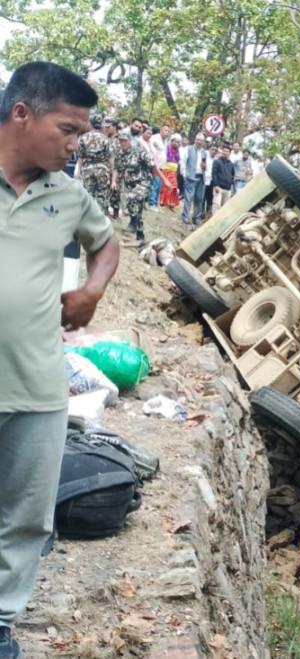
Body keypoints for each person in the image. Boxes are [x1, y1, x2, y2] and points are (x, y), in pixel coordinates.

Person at [0, 61, 120, 659]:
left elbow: (108, 242)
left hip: (37, 385)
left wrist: (92, 291)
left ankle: (0, 622)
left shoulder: (68, 195)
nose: (76, 145)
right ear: (22, 114)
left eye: (81, 133)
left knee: (25, 515)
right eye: (68, 130)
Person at [112, 129, 167, 243]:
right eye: (120, 140)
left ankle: (135, 226)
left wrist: (164, 180)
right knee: (135, 206)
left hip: (144, 182)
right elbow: (116, 168)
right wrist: (114, 181)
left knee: (132, 198)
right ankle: (139, 232)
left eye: (124, 141)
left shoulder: (139, 151)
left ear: (130, 140)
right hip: (130, 184)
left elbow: (153, 167)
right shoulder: (119, 153)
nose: (122, 143)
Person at [76, 114, 113, 214]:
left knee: (88, 194)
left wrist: (79, 169)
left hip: (88, 169)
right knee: (102, 194)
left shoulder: (83, 138)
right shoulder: (105, 138)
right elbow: (110, 156)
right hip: (102, 169)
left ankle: (88, 217)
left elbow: (80, 156)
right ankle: (101, 216)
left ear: (90, 124)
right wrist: (112, 171)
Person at [181, 133, 208, 225]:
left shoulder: (204, 152)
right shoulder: (188, 149)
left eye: (201, 140)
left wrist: (205, 166)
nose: (199, 142)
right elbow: (183, 162)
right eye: (198, 140)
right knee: (188, 198)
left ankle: (197, 217)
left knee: (199, 199)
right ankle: (185, 217)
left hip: (201, 177)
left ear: (203, 142)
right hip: (190, 177)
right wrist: (184, 174)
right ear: (195, 140)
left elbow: (206, 167)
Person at [148, 125, 169, 206]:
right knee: (155, 184)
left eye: (168, 131)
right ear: (161, 129)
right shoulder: (154, 138)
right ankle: (152, 202)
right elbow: (149, 148)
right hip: (155, 166)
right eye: (165, 130)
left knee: (158, 185)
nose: (167, 133)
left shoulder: (165, 141)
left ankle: (155, 202)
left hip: (162, 166)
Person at [211, 144, 235, 214]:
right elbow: (214, 174)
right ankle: (215, 219)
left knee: (225, 207)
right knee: (216, 204)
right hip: (218, 187)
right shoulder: (217, 161)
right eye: (224, 151)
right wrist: (215, 185)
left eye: (227, 151)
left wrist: (231, 184)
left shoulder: (231, 164)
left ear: (229, 153)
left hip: (227, 189)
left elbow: (232, 175)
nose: (225, 152)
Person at [159, 133, 180, 208]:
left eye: (178, 142)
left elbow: (178, 160)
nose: (176, 143)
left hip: (174, 171)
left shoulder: (178, 150)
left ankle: (171, 203)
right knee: (166, 186)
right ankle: (163, 201)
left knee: (173, 186)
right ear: (171, 141)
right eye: (175, 141)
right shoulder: (167, 148)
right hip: (166, 169)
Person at [203, 144, 218, 219]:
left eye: (215, 150)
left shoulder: (217, 160)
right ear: (209, 149)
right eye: (212, 149)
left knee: (210, 199)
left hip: (212, 181)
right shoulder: (204, 157)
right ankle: (200, 214)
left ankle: (207, 215)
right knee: (202, 198)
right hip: (203, 180)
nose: (214, 151)